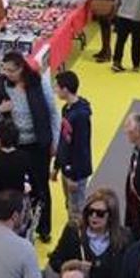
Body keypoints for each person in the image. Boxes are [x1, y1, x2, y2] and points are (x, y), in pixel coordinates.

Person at [0, 52, 60, 242]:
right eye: (4, 69)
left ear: (21, 69)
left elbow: (54, 113)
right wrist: (0, 110)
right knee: (16, 187)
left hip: (38, 145)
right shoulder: (2, 86)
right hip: (16, 146)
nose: (7, 74)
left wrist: (55, 141)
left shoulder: (39, 84)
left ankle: (44, 227)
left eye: (11, 70)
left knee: (41, 186)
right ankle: (17, 226)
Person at [48, 188, 130, 278]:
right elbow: (55, 260)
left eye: (100, 213)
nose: (93, 216)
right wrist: (74, 267)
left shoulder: (124, 239)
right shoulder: (73, 232)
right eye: (90, 211)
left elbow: (129, 275)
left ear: (111, 215)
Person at [54, 71, 93, 221]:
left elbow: (80, 148)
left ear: (65, 89)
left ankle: (78, 241)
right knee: (70, 205)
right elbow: (63, 140)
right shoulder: (67, 109)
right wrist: (57, 166)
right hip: (67, 168)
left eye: (57, 87)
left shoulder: (81, 116)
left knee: (77, 210)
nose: (55, 90)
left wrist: (73, 176)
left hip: (76, 172)